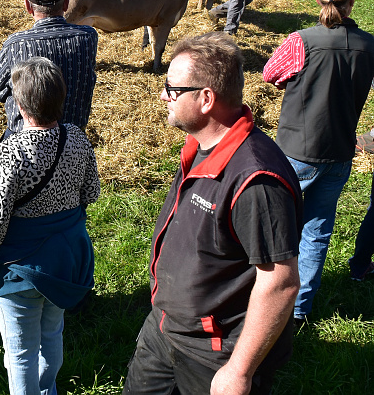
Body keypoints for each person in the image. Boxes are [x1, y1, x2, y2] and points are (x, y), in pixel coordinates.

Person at [123, 32, 301, 395]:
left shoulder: (256, 181)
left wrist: (238, 370)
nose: (163, 95)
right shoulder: (200, 144)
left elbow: (280, 283)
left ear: (206, 99)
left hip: (215, 352)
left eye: (173, 88)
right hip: (164, 328)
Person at [0, 57, 99, 395]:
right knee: (51, 333)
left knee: (20, 352)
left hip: (20, 268)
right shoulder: (77, 138)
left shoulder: (10, 153)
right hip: (64, 260)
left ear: (21, 104)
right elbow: (92, 192)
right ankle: (48, 390)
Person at [263, 0, 374, 323]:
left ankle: (262, 299)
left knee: (276, 228)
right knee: (317, 233)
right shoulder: (368, 44)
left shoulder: (301, 41)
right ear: (352, 2)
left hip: (296, 149)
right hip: (339, 151)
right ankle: (299, 311)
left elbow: (270, 74)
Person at [0, 0, 97, 137]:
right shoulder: (88, 36)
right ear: (66, 4)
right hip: (73, 136)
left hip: (25, 137)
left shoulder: (16, 43)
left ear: (28, 7)